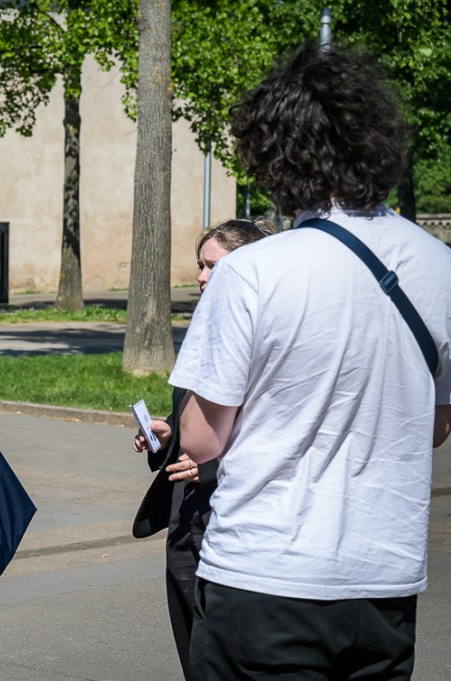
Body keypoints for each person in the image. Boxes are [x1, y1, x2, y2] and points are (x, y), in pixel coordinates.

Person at [171, 42, 451, 680]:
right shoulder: (440, 265)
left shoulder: (251, 270)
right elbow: (435, 426)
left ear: (276, 153)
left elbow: (201, 440)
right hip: (385, 581)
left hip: (265, 575)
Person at [131, 218, 275, 681]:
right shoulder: (208, 327)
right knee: (194, 654)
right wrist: (168, 435)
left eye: (213, 266)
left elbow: (271, 434)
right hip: (185, 516)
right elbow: (201, 420)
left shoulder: (266, 336)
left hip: (230, 520)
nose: (200, 276)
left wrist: (210, 469)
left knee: (225, 658)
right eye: (200, 265)